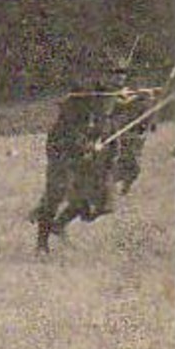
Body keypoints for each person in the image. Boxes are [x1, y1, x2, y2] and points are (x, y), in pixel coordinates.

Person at [31, 58, 129, 253]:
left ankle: (59, 225)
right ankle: (42, 244)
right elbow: (69, 128)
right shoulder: (83, 95)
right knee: (57, 192)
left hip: (94, 150)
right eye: (113, 73)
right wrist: (85, 145)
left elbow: (114, 115)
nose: (119, 78)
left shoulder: (112, 96)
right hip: (64, 148)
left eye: (122, 74)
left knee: (99, 198)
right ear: (102, 75)